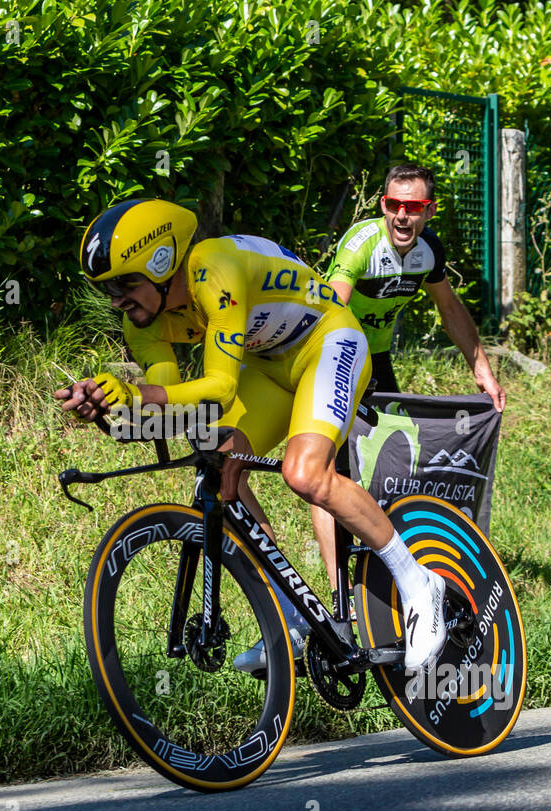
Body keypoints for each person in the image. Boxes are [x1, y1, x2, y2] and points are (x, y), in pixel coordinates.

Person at [55, 198, 445, 674]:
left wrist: (135, 394)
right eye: (107, 289)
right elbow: (176, 399)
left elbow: (218, 389)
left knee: (305, 474)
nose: (116, 299)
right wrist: (110, 407)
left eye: (124, 284)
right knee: (222, 470)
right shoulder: (143, 322)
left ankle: (418, 583)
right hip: (270, 366)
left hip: (329, 341)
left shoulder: (214, 270)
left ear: (160, 264)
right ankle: (294, 620)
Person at [311, 163, 506, 609]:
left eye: (413, 206)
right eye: (393, 204)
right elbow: (331, 306)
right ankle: (341, 594)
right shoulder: (362, 244)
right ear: (383, 205)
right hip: (337, 351)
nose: (402, 215)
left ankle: (386, 561)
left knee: (386, 462)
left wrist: (482, 369)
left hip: (377, 359)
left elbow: (450, 308)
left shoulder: (428, 251)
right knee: (328, 471)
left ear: (429, 211)